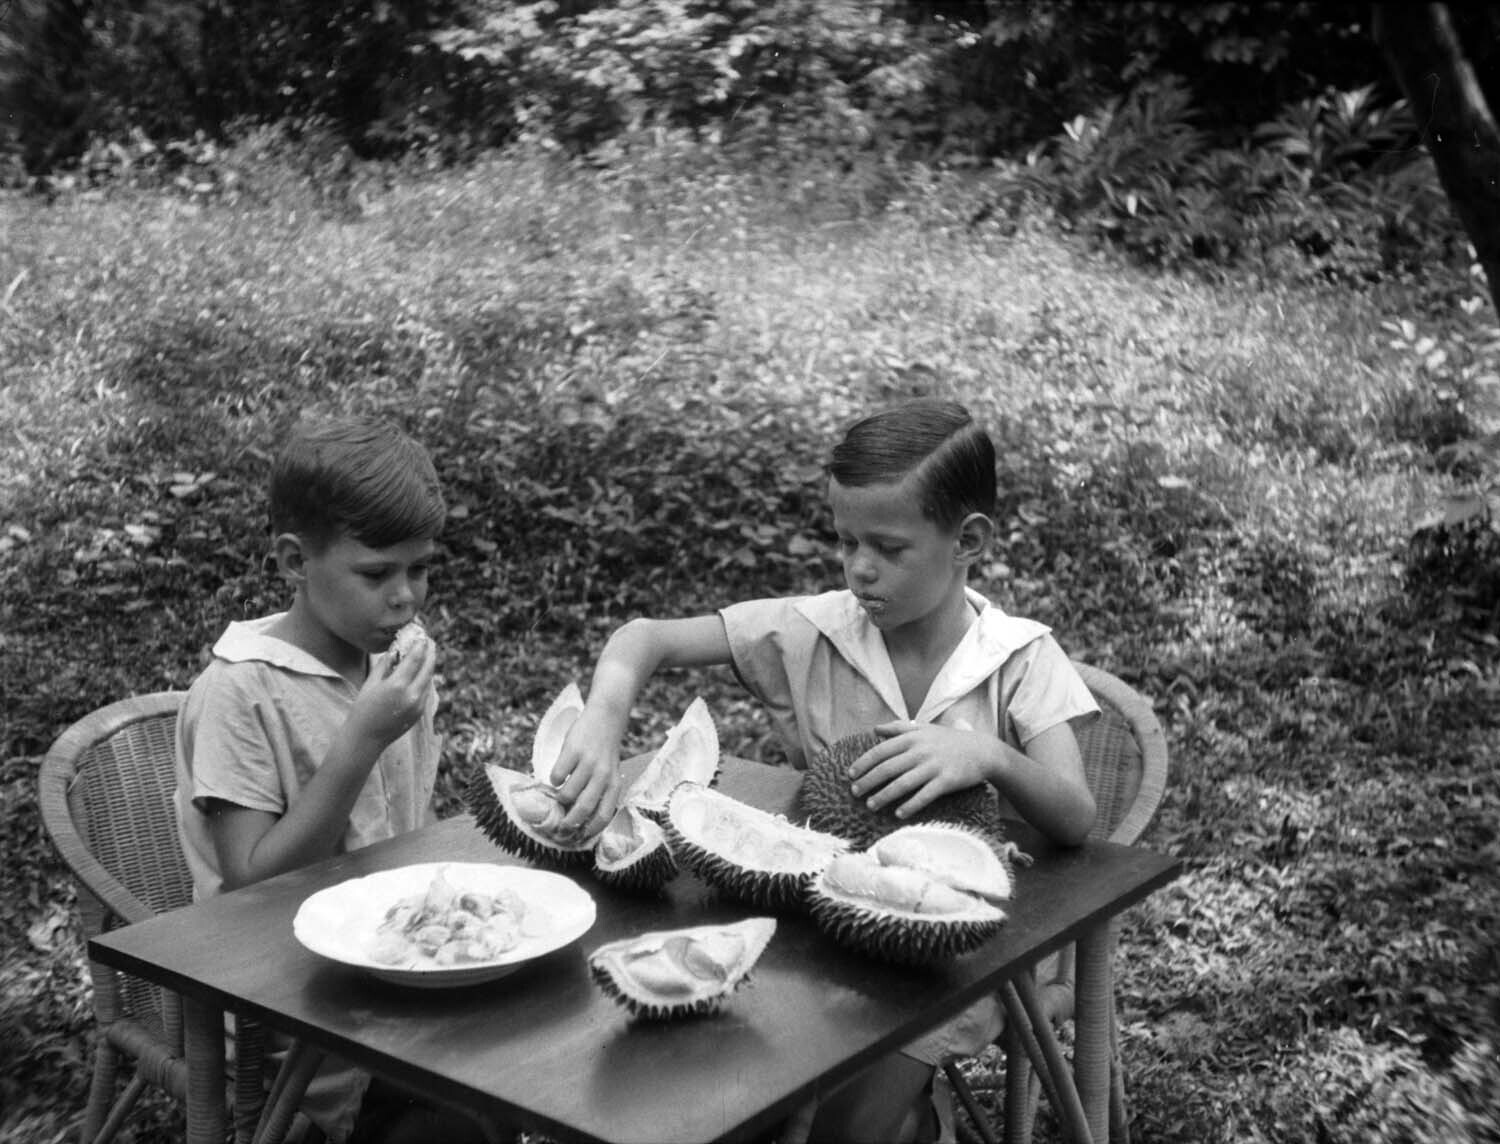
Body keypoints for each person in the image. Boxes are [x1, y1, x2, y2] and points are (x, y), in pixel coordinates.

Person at [549, 398, 1099, 1143]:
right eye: (845, 542)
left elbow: (1076, 816)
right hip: (826, 928)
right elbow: (644, 638)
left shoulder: (1021, 659)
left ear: (968, 540)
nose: (860, 567)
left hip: (969, 949)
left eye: (889, 548)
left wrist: (990, 756)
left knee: (854, 1123)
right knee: (716, 1084)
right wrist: (603, 716)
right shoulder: (816, 632)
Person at [173, 415, 498, 1144]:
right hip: (288, 1020)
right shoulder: (241, 693)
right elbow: (253, 885)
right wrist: (362, 738)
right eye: (377, 574)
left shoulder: (386, 668)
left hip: (393, 983)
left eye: (420, 569)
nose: (406, 598)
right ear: (295, 560)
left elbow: (402, 831)